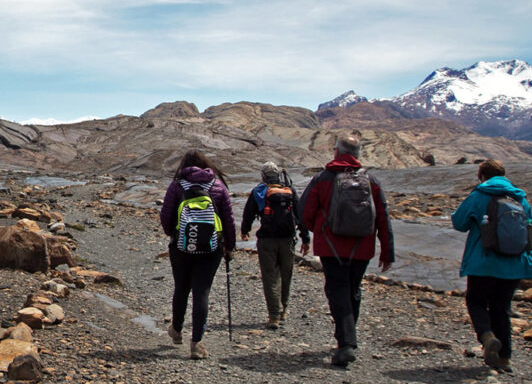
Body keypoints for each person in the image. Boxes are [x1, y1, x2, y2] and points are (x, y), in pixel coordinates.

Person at [301, 135, 394, 367]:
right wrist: (387, 250)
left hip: (331, 247)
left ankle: (346, 343)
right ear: (358, 154)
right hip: (362, 246)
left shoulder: (322, 178)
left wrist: (319, 230)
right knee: (353, 288)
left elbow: (304, 211)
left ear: (336, 152)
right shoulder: (371, 180)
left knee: (337, 289)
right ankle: (348, 338)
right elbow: (382, 215)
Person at [450, 159, 532, 373]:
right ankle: (504, 358)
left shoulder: (479, 195)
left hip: (483, 261)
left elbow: (459, 223)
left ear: (481, 176)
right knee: (502, 307)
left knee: (476, 301)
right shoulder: (519, 198)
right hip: (513, 264)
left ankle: (487, 336)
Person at [158, 150, 237, 360]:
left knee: (181, 288)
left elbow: (166, 216)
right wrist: (230, 246)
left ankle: (176, 330)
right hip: (211, 249)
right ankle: (197, 343)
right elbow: (228, 219)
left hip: (181, 247)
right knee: (202, 292)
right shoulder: (218, 186)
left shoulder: (177, 186)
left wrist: (173, 233)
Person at [245, 162, 309, 330]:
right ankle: (283, 311)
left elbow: (249, 212)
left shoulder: (260, 191)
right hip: (288, 239)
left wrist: (245, 230)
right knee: (286, 274)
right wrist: (306, 239)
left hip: (267, 239)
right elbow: (300, 216)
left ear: (263, 176)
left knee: (270, 276)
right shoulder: (290, 191)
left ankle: (274, 316)